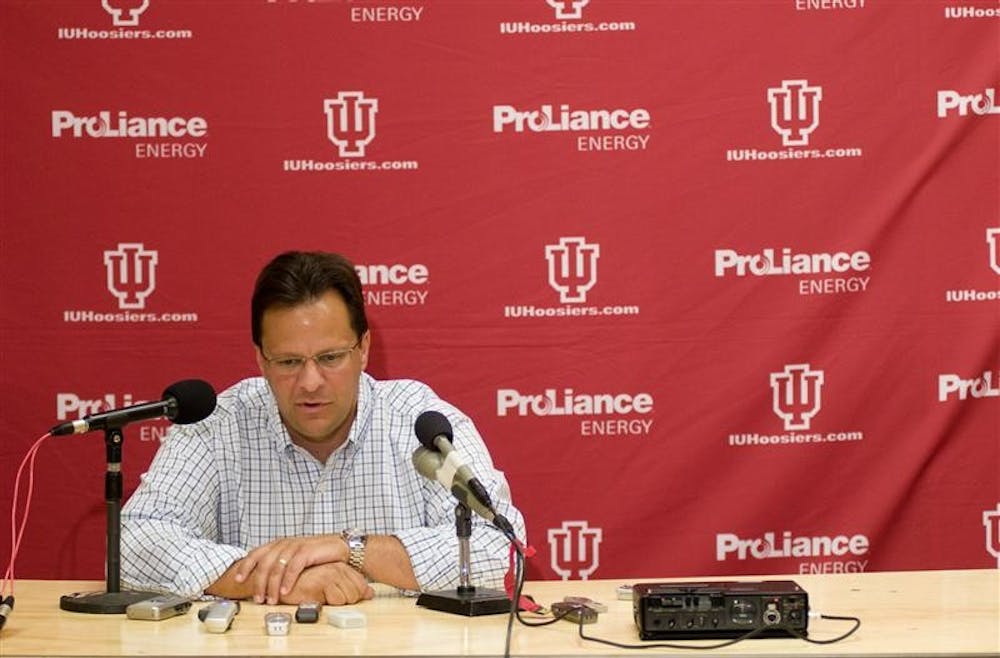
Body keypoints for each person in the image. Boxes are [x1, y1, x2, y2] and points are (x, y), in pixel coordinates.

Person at [121, 251, 524, 605]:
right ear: (260, 359)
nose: (310, 382)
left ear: (364, 349)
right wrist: (274, 578)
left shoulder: (420, 420)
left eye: (330, 357)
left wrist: (349, 549)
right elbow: (133, 543)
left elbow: (501, 545)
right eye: (289, 362)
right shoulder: (216, 425)